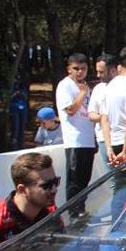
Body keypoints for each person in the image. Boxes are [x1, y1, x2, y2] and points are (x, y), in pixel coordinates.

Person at [0, 152, 59, 243]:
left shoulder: (51, 211)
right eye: (46, 185)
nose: (54, 190)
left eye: (56, 182)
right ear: (22, 189)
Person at [55, 53, 96, 208]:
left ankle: (81, 210)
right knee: (74, 181)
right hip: (75, 140)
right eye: (76, 68)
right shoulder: (65, 85)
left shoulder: (85, 86)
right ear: (69, 69)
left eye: (83, 68)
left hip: (88, 139)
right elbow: (71, 109)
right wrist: (82, 93)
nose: (80, 72)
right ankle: (73, 213)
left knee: (84, 180)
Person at [88, 54, 118, 168]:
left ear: (113, 70)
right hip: (104, 140)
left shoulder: (125, 86)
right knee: (112, 180)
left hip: (123, 139)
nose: (98, 75)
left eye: (101, 72)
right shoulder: (98, 89)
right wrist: (104, 118)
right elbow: (91, 114)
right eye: (97, 71)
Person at [9, 83, 29, 149]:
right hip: (14, 109)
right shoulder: (10, 87)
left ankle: (21, 144)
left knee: (22, 127)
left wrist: (21, 94)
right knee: (15, 126)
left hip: (23, 109)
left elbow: (25, 97)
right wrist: (15, 94)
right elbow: (9, 98)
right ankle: (13, 144)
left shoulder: (23, 88)